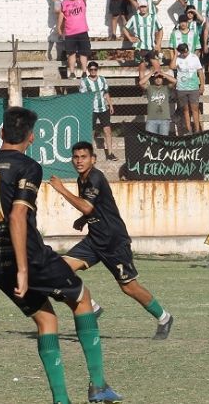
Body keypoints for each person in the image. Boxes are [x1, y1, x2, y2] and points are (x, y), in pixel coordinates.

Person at [0, 108, 123, 404]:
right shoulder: (28, 166)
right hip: (31, 259)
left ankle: (61, 400)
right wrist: (24, 267)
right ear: (31, 137)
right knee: (82, 299)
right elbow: (18, 216)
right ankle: (98, 386)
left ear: (1, 133)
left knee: (46, 321)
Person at [50, 141, 175, 339]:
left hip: (114, 242)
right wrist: (84, 220)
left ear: (93, 159)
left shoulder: (95, 178)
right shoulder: (82, 179)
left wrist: (61, 189)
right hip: (95, 240)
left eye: (83, 157)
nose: (79, 161)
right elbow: (95, 207)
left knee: (129, 287)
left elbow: (87, 207)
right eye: (76, 157)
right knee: (59, 268)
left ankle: (164, 317)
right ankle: (92, 307)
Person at [79, 61, 118, 161]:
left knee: (107, 131)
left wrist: (111, 105)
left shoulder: (102, 79)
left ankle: (110, 153)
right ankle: (89, 154)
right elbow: (82, 97)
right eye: (91, 69)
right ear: (88, 70)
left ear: (97, 70)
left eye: (95, 69)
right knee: (91, 132)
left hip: (103, 108)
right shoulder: (84, 81)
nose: (93, 71)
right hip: (91, 110)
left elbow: (106, 93)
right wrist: (84, 110)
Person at [123, 0, 163, 80]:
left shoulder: (153, 17)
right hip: (140, 47)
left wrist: (158, 44)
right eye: (141, 7)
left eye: (144, 6)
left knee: (158, 69)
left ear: (147, 7)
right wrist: (130, 38)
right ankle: (144, 88)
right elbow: (125, 28)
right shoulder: (135, 18)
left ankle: (158, 88)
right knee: (142, 69)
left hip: (151, 47)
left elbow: (160, 30)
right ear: (139, 8)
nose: (143, 9)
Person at [57, 0, 91, 79]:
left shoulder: (81, 0)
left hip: (82, 31)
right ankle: (72, 73)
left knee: (83, 52)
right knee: (71, 53)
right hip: (70, 33)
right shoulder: (64, 3)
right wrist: (59, 28)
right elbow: (61, 15)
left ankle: (84, 72)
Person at [171, 42, 205, 134]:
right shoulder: (178, 58)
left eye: (186, 52)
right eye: (183, 52)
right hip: (181, 88)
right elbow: (172, 66)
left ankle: (197, 130)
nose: (185, 54)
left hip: (193, 87)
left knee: (195, 109)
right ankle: (189, 129)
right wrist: (175, 55)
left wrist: (202, 85)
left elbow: (200, 72)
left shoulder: (194, 57)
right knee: (185, 109)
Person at [139, 70, 177, 135]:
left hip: (164, 119)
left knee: (163, 140)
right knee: (151, 139)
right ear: (153, 79)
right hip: (151, 119)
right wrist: (151, 73)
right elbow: (141, 83)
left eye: (160, 77)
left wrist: (163, 73)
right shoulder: (149, 88)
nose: (158, 79)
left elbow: (175, 81)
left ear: (162, 79)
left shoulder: (166, 88)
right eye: (156, 78)